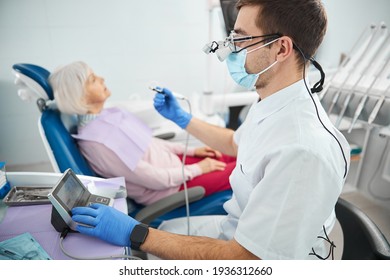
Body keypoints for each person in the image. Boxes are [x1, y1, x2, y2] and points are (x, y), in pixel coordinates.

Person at [71, 0, 350, 259]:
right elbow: (235, 143)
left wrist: (136, 233)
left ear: (281, 49)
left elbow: (248, 258)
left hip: (254, 255)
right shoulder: (274, 102)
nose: (229, 49)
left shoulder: (302, 150)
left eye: (240, 39)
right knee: (167, 226)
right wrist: (183, 119)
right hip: (236, 229)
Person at [48, 61, 236, 206]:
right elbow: (154, 179)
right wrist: (199, 168)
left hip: (176, 166)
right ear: (79, 95)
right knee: (243, 170)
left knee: (232, 153)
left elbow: (150, 143)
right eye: (93, 80)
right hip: (169, 189)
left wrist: (192, 152)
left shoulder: (107, 115)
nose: (102, 79)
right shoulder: (96, 143)